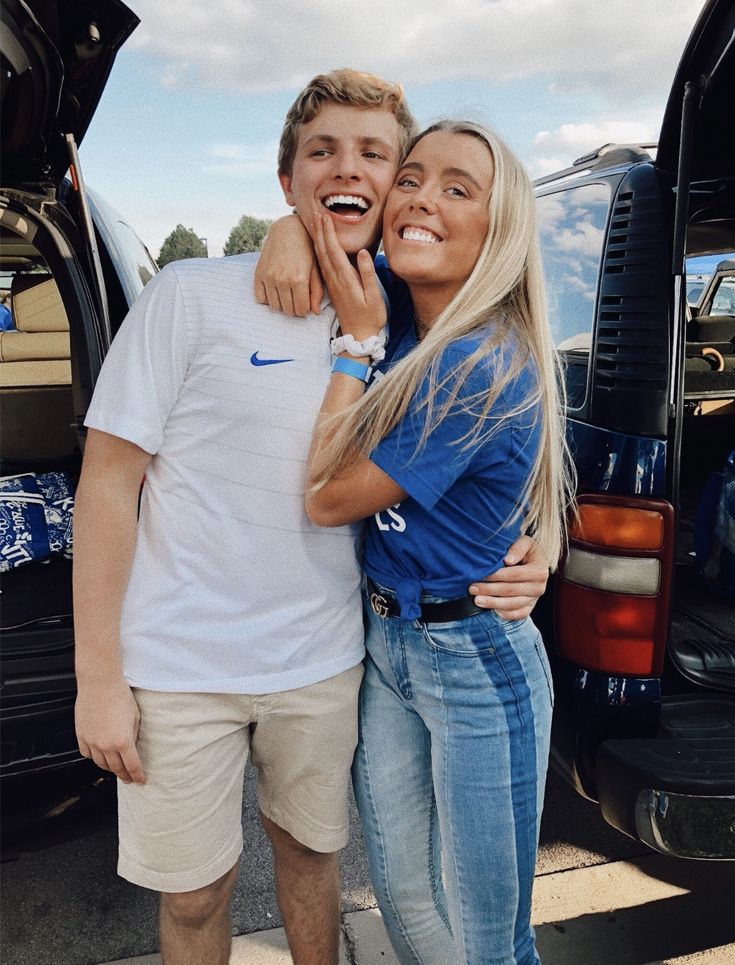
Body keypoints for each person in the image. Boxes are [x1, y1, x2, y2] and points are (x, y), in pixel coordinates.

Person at [73, 71, 548, 965]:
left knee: (314, 864)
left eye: (377, 155)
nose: (352, 169)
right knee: (197, 893)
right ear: (285, 177)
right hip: (180, 666)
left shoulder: (405, 316)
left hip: (330, 661)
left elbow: (498, 444)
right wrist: (97, 676)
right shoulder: (190, 293)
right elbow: (106, 484)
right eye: (322, 151)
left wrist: (536, 548)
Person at [300, 121, 573, 964]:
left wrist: (352, 348)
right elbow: (323, 227)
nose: (419, 199)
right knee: (408, 901)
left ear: (497, 230)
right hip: (387, 642)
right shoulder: (403, 301)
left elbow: (326, 495)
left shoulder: (474, 362)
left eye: (458, 189)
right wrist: (286, 231)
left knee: (493, 942)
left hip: (472, 657)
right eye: (410, 179)